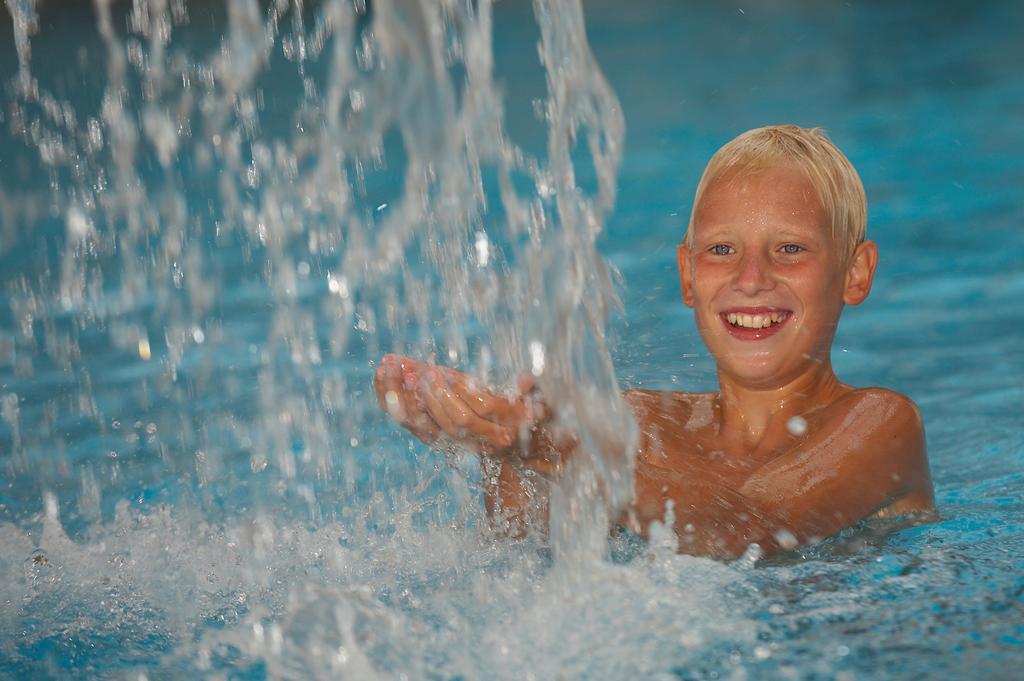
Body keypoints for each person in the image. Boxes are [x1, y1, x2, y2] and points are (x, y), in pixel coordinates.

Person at [373, 125, 936, 559]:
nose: (751, 277)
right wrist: (492, 444)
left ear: (856, 273)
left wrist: (552, 447)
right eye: (721, 250)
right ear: (688, 276)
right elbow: (523, 549)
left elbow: (752, 532)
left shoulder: (880, 423)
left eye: (790, 248)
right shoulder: (638, 422)